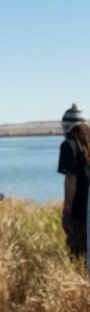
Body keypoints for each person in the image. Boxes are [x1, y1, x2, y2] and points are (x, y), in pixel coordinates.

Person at [58, 104, 88, 259]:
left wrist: (67, 212)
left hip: (80, 212)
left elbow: (71, 181)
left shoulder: (68, 146)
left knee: (78, 255)